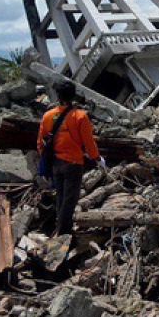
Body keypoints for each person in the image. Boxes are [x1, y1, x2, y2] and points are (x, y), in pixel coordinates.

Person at [36, 81, 104, 236]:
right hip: (73, 163)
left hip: (56, 163)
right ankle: (63, 231)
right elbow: (89, 142)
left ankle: (60, 225)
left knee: (61, 196)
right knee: (70, 199)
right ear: (73, 96)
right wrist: (97, 158)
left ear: (58, 96)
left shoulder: (48, 116)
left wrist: (48, 159)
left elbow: (40, 143)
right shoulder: (80, 116)